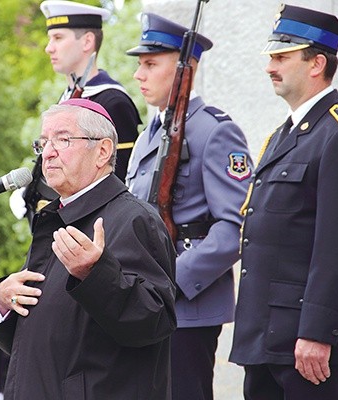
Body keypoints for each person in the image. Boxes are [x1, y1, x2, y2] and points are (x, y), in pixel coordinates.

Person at [229, 4, 338, 400]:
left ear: (316, 63)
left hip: (305, 344)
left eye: (281, 57)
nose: (269, 67)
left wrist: (316, 331)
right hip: (265, 339)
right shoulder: (285, 134)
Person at [0, 99, 177, 399]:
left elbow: (153, 322)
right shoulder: (54, 219)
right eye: (43, 142)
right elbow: (33, 338)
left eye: (63, 139)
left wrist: (96, 274)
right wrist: (1, 301)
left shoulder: (134, 218)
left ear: (102, 151)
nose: (48, 152)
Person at [125, 13, 252, 400]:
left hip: (186, 309)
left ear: (186, 70)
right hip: (143, 304)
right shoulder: (150, 135)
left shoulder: (214, 131)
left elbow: (235, 229)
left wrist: (169, 280)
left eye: (151, 64)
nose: (138, 75)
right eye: (139, 65)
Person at [9, 0, 141, 222]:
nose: (49, 47)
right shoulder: (68, 99)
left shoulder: (112, 102)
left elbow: (120, 181)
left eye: (58, 38)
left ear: (87, 41)